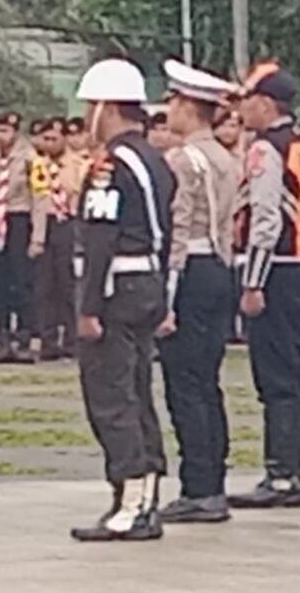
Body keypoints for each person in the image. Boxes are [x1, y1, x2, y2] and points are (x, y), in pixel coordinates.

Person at [67, 59, 176, 543]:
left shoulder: (109, 165)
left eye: (90, 106)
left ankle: (130, 501)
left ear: (106, 108)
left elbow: (100, 238)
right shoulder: (154, 159)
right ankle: (145, 496)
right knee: (138, 393)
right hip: (148, 283)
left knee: (111, 398)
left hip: (117, 289)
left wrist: (88, 306)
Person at [232, 62, 300, 509]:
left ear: (266, 104)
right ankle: (299, 472)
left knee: (276, 380)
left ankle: (282, 475)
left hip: (276, 270)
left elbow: (265, 220)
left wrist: (252, 281)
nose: (241, 110)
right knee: (298, 376)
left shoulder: (266, 150)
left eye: (247, 101)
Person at [157, 61, 245, 524]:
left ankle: (199, 486)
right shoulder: (226, 158)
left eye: (173, 102)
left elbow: (176, 230)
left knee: (185, 384)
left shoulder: (183, 160)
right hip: (218, 267)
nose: (169, 110)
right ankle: (213, 480)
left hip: (189, 270)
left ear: (189, 107)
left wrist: (166, 298)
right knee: (207, 382)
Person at [0, 112, 44, 364]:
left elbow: (39, 199)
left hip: (19, 220)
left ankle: (24, 339)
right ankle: (3, 338)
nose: (0, 136)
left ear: (15, 133)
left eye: (5, 131)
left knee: (22, 282)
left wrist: (38, 237)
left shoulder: (31, 160)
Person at [35, 118, 85, 360]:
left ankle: (72, 338)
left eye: (54, 139)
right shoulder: (38, 166)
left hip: (69, 223)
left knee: (68, 284)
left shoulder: (79, 165)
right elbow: (36, 199)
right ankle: (48, 340)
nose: (50, 143)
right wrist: (36, 237)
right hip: (45, 224)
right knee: (46, 286)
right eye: (45, 139)